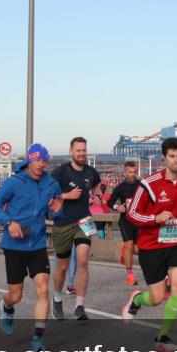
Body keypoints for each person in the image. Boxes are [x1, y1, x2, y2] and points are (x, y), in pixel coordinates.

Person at [121, 137, 177, 352]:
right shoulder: (149, 184)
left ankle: (163, 337)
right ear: (164, 158)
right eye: (172, 156)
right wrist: (155, 219)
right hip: (151, 246)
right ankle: (137, 299)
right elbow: (132, 214)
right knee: (157, 297)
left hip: (176, 242)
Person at [0, 143, 65, 351]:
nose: (41, 164)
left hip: (38, 244)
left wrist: (58, 211)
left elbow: (56, 214)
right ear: (29, 160)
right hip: (14, 245)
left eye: (44, 160)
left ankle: (38, 339)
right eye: (37, 160)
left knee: (43, 290)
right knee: (16, 295)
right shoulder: (15, 182)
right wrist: (9, 223)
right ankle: (7, 306)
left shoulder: (52, 184)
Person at [49, 137, 101, 321]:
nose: (82, 154)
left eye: (84, 150)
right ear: (71, 152)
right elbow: (47, 194)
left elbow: (97, 186)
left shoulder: (90, 171)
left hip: (84, 222)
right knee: (62, 267)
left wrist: (97, 197)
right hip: (63, 223)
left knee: (83, 261)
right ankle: (57, 299)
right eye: (78, 150)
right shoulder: (60, 172)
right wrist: (67, 195)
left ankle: (80, 306)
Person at [108, 161, 141, 285]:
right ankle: (130, 276)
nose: (132, 175)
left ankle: (126, 250)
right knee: (129, 244)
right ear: (125, 172)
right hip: (125, 220)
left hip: (139, 220)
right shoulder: (120, 187)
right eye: (129, 172)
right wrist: (118, 207)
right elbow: (110, 202)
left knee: (139, 249)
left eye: (134, 172)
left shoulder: (141, 185)